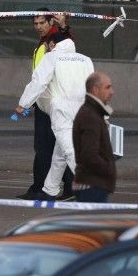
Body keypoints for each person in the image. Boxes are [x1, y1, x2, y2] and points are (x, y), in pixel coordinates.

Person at [16, 33, 94, 200]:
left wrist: (24, 104)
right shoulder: (85, 59)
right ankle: (49, 189)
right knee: (60, 153)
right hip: (83, 108)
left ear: (53, 44)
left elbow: (38, 82)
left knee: (68, 150)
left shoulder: (52, 57)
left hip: (61, 109)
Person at [16, 7, 75, 201]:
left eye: (42, 22)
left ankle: (41, 188)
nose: (38, 27)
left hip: (52, 103)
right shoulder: (44, 41)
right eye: (35, 23)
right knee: (58, 148)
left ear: (51, 23)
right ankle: (65, 188)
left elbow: (68, 43)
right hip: (46, 101)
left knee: (45, 148)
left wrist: (64, 25)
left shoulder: (54, 39)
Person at [73, 72, 116, 203]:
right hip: (92, 185)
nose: (112, 92)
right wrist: (109, 168)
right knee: (92, 223)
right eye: (107, 87)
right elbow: (89, 155)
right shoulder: (90, 116)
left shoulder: (93, 112)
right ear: (95, 90)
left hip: (93, 183)